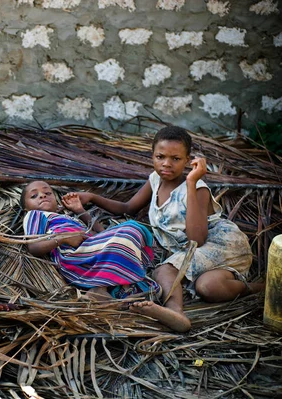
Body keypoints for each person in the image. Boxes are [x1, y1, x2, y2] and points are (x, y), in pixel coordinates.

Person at [70, 126, 265, 333]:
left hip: (219, 244)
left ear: (188, 160)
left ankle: (176, 312)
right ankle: (261, 288)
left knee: (163, 270)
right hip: (191, 252)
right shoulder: (155, 179)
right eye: (160, 156)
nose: (166, 164)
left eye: (176, 159)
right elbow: (128, 208)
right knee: (208, 288)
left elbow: (196, 239)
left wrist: (191, 182)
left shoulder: (197, 190)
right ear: (152, 156)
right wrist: (92, 198)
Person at [21, 180, 160, 302]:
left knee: (152, 288)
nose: (42, 195)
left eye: (48, 193)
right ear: (26, 208)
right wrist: (62, 238)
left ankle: (110, 293)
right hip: (75, 257)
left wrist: (79, 210)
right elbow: (33, 247)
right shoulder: (35, 215)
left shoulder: (68, 218)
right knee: (130, 228)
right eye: (34, 196)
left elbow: (103, 234)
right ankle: (100, 289)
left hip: (93, 251)